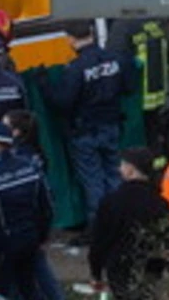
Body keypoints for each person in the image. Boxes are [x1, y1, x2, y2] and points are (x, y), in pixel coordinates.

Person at [51, 20, 134, 222]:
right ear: (91, 33)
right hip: (112, 125)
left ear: (70, 39)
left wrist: (45, 86)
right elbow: (129, 87)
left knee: (93, 181)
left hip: (85, 132)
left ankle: (100, 229)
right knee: (114, 175)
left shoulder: (76, 68)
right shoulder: (116, 59)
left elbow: (63, 102)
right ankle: (120, 221)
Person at [0, 120, 55, 300]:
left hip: (2, 246)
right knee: (30, 287)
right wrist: (42, 236)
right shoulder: (30, 167)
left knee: (3, 291)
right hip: (31, 239)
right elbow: (46, 206)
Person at [89, 149, 169, 300]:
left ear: (130, 170)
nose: (119, 169)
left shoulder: (111, 202)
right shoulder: (160, 204)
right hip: (150, 268)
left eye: (122, 165)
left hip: (119, 268)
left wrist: (96, 273)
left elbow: (99, 242)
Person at [108, 16, 169, 157]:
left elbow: (115, 62)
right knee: (154, 136)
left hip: (135, 99)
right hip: (159, 95)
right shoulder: (156, 22)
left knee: (136, 143)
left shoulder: (122, 26)